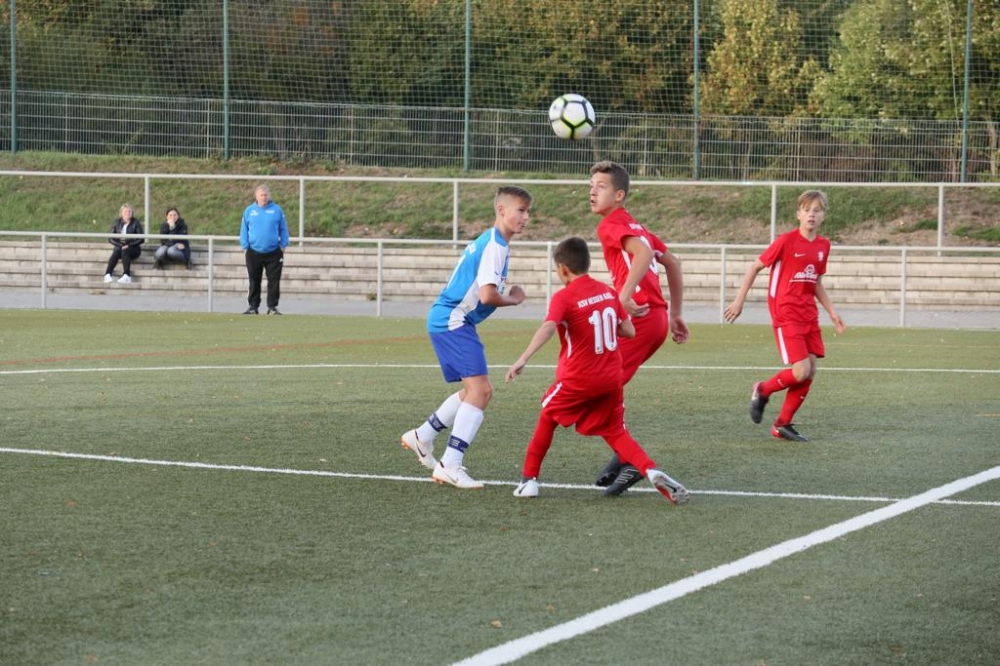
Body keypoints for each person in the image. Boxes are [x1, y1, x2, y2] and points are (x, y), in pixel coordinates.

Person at [505, 237, 689, 504]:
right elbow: (629, 330)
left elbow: (548, 326)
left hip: (579, 378)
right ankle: (650, 469)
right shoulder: (608, 291)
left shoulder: (564, 297)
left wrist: (523, 358)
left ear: (562, 269)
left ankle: (528, 481)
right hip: (611, 377)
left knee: (548, 416)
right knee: (614, 431)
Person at [399, 185, 532, 489]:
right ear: (502, 210)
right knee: (481, 392)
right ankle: (450, 463)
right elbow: (487, 296)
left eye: (528, 212)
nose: (526, 217)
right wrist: (514, 299)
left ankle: (423, 435)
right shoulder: (495, 245)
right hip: (453, 320)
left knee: (472, 391)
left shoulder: (492, 241)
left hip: (450, 319)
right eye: (521, 210)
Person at [588, 160, 690, 496]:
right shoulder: (636, 225)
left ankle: (630, 459)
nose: (592, 191)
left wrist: (623, 296)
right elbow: (672, 262)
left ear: (619, 195)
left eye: (601, 186)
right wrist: (675, 314)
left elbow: (644, 254)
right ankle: (622, 457)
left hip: (640, 319)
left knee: (594, 387)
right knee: (607, 386)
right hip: (654, 319)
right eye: (591, 185)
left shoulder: (611, 225)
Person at [724, 189, 846, 442]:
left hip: (809, 314)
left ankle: (782, 425)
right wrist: (739, 300)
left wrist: (832, 312)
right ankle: (762, 389)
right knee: (800, 371)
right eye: (807, 210)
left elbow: (815, 282)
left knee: (810, 371)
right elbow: (755, 267)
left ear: (824, 216)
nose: (811, 215)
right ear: (798, 214)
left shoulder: (823, 246)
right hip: (785, 312)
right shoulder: (785, 241)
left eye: (817, 210)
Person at [240, 184, 289, 315]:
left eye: (266, 195)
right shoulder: (249, 211)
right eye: (261, 195)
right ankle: (253, 306)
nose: (264, 197)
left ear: (269, 196)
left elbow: (283, 229)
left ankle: (272, 307)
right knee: (254, 280)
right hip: (253, 251)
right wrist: (245, 246)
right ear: (256, 196)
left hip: (273, 252)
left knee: (274, 281)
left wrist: (283, 245)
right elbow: (244, 230)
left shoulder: (277, 210)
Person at [103, 203, 144, 284]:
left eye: (129, 211)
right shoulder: (117, 222)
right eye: (125, 211)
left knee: (125, 250)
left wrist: (129, 245)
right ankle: (108, 274)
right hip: (120, 246)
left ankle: (126, 275)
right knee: (117, 249)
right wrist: (120, 245)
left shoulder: (136, 222)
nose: (128, 213)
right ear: (121, 213)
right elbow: (111, 238)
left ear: (132, 213)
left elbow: (141, 239)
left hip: (133, 248)